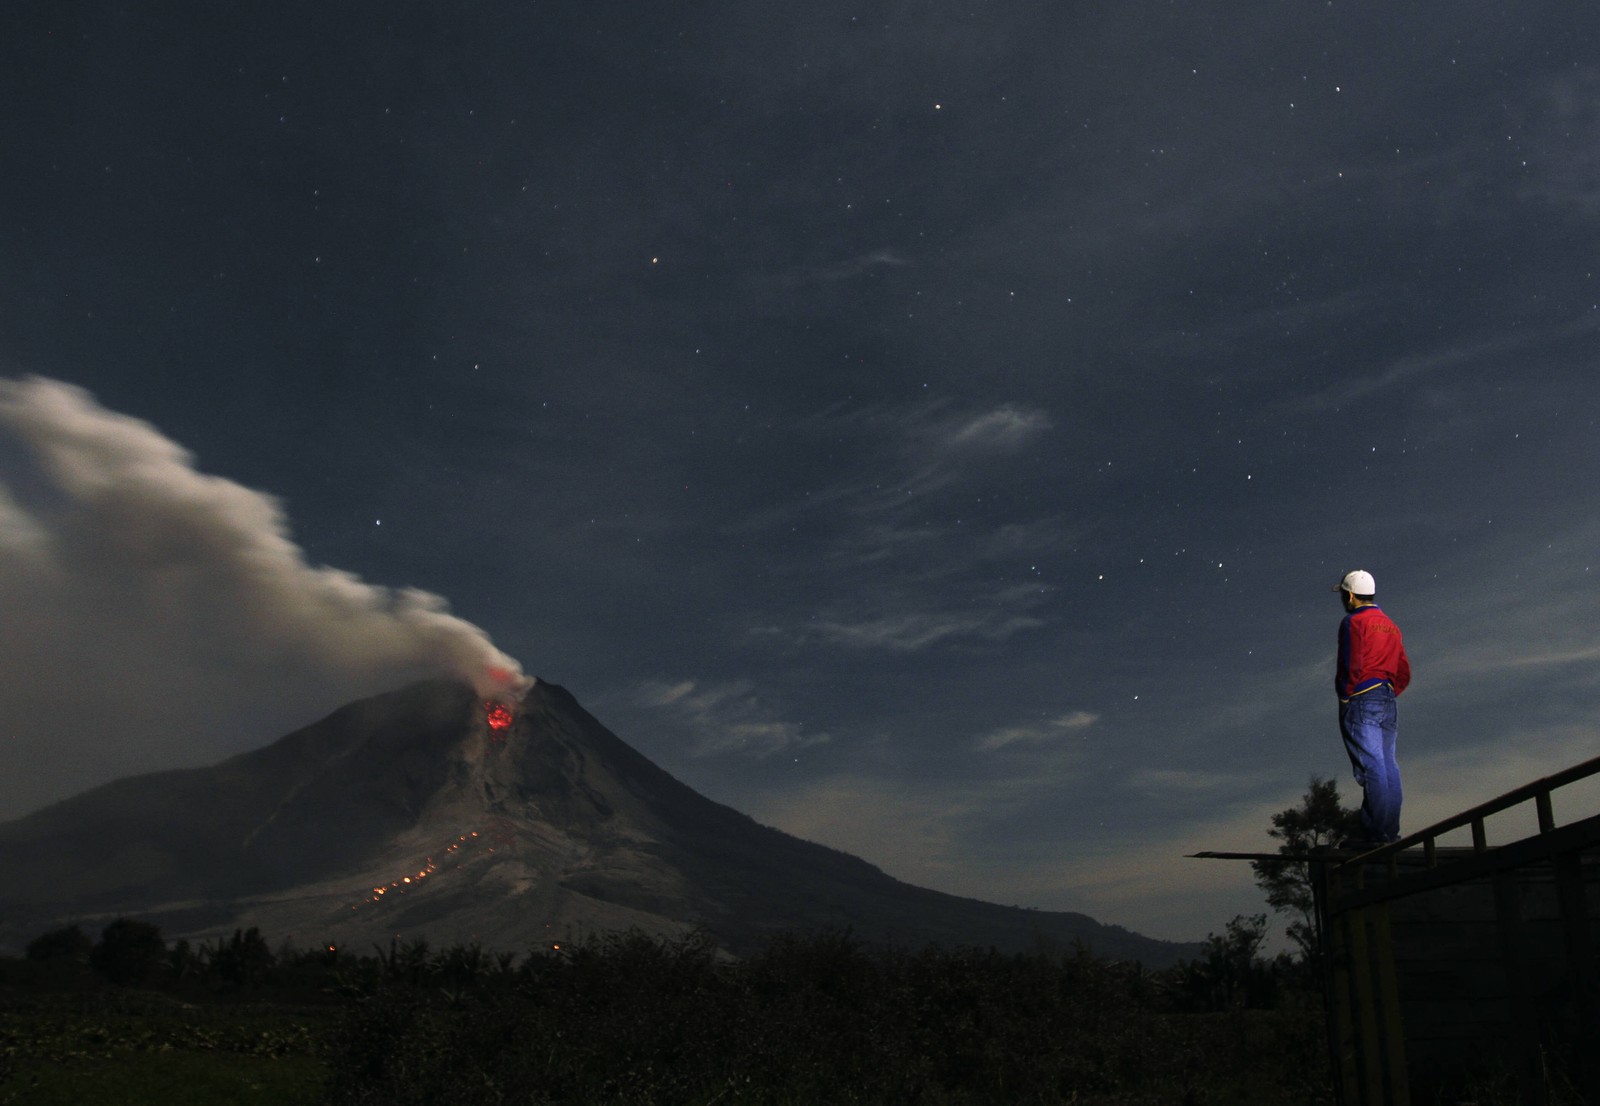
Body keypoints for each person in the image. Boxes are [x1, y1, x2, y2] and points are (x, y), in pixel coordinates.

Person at [1333, 569, 1411, 847]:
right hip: (1387, 698)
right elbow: (1403, 670)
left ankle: (1375, 834)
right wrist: (1389, 691)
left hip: (1362, 697)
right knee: (1388, 764)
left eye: (1343, 595)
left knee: (1372, 765)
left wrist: (1346, 695)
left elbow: (1351, 663)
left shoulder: (1353, 622)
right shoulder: (1390, 624)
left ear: (1351, 595)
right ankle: (1389, 831)